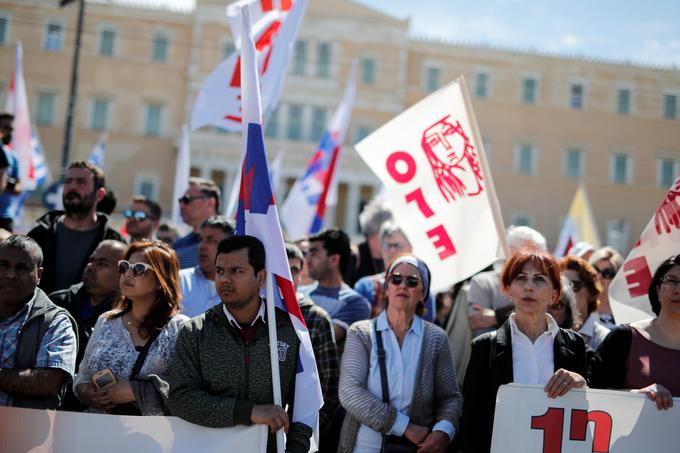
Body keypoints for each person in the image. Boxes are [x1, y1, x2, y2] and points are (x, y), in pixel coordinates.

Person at [168, 236, 312, 453]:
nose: (224, 279)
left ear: (260, 278)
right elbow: (181, 398)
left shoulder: (289, 331)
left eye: (236, 271)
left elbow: (305, 402)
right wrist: (248, 412)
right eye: (219, 271)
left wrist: (296, 448)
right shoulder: (195, 332)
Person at [462, 248, 588, 453]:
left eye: (539, 279)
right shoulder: (485, 347)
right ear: (509, 290)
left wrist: (581, 383)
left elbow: (586, 413)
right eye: (521, 278)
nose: (529, 287)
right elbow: (470, 421)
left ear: (554, 294)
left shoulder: (575, 345)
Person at [339, 255, 461, 452]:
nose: (402, 285)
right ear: (387, 289)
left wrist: (443, 431)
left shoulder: (436, 338)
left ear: (423, 294)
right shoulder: (361, 333)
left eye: (412, 281)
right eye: (395, 279)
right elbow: (350, 392)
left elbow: (449, 398)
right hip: (364, 447)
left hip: (414, 448)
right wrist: (404, 426)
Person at [74, 241, 188, 415]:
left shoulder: (179, 328)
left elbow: (189, 389)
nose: (128, 273)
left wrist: (135, 392)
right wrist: (87, 392)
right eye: (125, 266)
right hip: (97, 428)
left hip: (150, 435)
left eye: (139, 269)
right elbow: (83, 375)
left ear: (160, 280)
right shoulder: (106, 321)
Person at [590, 255, 680, 410]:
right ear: (658, 290)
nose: (678, 290)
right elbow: (589, 393)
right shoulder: (625, 337)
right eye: (671, 280)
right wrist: (636, 395)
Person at [0, 235, 78, 409]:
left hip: (24, 433)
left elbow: (49, 382)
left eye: (22, 268)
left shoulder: (55, 322)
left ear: (39, 275)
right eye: (3, 265)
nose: (10, 275)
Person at [28, 161, 125, 294]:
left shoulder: (114, 243)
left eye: (81, 182)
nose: (72, 187)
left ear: (100, 194)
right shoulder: (39, 234)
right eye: (68, 181)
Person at [286, 242, 341, 450]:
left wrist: (306, 436)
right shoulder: (256, 314)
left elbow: (329, 386)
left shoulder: (316, 318)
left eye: (295, 270)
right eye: (283, 268)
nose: (289, 276)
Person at [49, 240, 128, 365]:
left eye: (102, 264)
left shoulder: (127, 317)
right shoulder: (57, 303)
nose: (90, 266)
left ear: (122, 274)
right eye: (91, 260)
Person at [467, 225, 548, 338]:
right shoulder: (483, 283)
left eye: (540, 255)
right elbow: (479, 327)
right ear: (509, 250)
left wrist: (498, 316)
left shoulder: (547, 283)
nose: (535, 260)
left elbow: (550, 318)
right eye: (529, 252)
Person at [301, 228, 371, 349]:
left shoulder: (355, 303)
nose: (307, 260)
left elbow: (322, 338)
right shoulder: (299, 294)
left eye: (313, 253)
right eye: (307, 254)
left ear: (334, 260)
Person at [354, 222, 436, 321]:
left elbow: (426, 330)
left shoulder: (422, 291)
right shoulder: (365, 287)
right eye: (388, 245)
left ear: (410, 247)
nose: (392, 251)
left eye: (397, 245)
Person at [179, 216, 234, 318]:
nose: (201, 246)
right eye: (200, 239)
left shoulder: (240, 288)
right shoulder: (178, 280)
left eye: (211, 241)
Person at [560, 256, 610, 349]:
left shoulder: (604, 338)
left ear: (591, 292)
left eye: (574, 285)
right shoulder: (547, 334)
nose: (567, 291)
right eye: (562, 285)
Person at [173, 177, 221, 269]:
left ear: (210, 203)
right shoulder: (178, 245)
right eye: (181, 200)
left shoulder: (232, 238)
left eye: (187, 200)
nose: (181, 205)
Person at [352, 197, 393, 285]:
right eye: (386, 232)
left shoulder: (390, 256)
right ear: (372, 233)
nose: (390, 238)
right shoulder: (355, 256)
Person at [588, 246, 624, 329]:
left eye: (607, 273)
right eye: (595, 270)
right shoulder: (581, 304)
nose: (599, 276)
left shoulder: (626, 309)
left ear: (617, 277)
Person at [0, 113, 22, 231]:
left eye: (12, 129)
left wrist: (8, 184)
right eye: (6, 128)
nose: (10, 132)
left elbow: (19, 186)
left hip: (4, 216)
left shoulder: (12, 156)